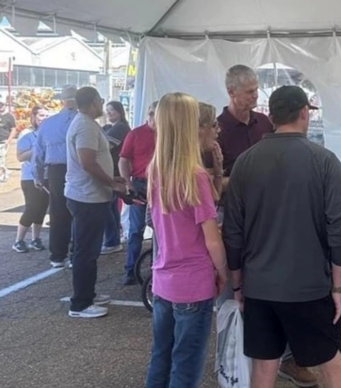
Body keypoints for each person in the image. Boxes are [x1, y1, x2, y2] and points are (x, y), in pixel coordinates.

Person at [222, 85, 341, 388]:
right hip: (309, 287)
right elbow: (340, 229)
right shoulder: (324, 160)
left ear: (271, 117)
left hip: (258, 285)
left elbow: (233, 231)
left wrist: (238, 284)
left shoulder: (245, 162)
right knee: (332, 363)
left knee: (263, 366)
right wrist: (337, 286)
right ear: (305, 113)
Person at [217, 65, 316, 387]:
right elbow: (210, 185)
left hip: (272, 215)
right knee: (236, 292)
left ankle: (288, 359)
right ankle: (233, 361)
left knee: (282, 287)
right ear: (231, 92)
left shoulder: (264, 123)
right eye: (249, 92)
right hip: (231, 216)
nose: (255, 97)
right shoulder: (216, 129)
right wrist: (245, 180)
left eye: (257, 91)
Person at [145, 93, 227, 387]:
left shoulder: (157, 169)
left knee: (161, 356)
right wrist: (225, 274)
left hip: (163, 279)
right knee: (186, 364)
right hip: (193, 283)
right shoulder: (194, 175)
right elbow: (212, 239)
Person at [65, 86, 127, 318]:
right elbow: (87, 162)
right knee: (86, 251)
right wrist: (111, 183)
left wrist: (112, 179)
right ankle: (80, 304)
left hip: (90, 195)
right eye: (100, 101)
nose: (102, 105)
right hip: (86, 197)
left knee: (88, 250)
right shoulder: (85, 126)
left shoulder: (87, 124)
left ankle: (87, 294)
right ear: (92, 103)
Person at [34, 85, 78, 268]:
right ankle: (76, 252)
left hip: (55, 171)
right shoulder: (81, 120)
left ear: (62, 101)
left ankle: (57, 255)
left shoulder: (48, 123)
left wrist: (37, 175)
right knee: (79, 209)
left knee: (58, 211)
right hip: (78, 168)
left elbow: (38, 152)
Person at [119, 101, 158, 285]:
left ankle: (155, 270)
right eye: (150, 113)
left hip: (159, 185)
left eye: (155, 113)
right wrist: (128, 183)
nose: (152, 117)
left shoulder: (168, 134)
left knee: (160, 230)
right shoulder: (135, 134)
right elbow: (123, 160)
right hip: (140, 184)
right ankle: (130, 270)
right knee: (135, 230)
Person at [12, 106, 50, 253]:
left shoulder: (48, 134)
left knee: (41, 209)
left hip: (46, 175)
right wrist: (37, 149)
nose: (44, 118)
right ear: (33, 117)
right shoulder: (27, 135)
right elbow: (20, 157)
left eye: (47, 115)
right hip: (30, 177)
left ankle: (36, 238)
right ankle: (19, 240)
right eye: (41, 115)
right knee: (32, 208)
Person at [101, 101, 131, 255]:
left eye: (111, 110)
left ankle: (111, 240)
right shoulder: (114, 127)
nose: (108, 113)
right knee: (111, 206)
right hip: (113, 169)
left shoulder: (120, 128)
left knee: (106, 206)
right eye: (107, 111)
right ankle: (112, 240)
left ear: (120, 111)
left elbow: (104, 146)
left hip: (113, 170)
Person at [198, 102, 224, 198]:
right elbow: (209, 210)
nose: (219, 130)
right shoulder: (197, 174)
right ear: (199, 129)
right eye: (214, 125)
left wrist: (218, 173)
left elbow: (214, 198)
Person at [0, 99, 16, 182]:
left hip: (3, 141)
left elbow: (13, 129)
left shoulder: (9, 116)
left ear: (4, 105)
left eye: (1, 105)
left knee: (1, 159)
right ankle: (4, 173)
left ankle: (2, 176)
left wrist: (8, 141)